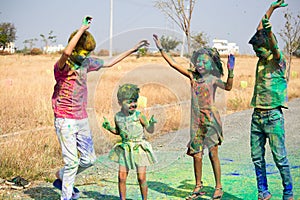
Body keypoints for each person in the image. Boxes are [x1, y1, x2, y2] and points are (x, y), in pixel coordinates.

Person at [51, 15, 149, 200]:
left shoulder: (87, 64)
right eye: (83, 52)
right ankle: (67, 195)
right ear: (76, 50)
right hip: (65, 119)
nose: (86, 56)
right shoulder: (62, 67)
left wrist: (132, 49)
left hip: (81, 118)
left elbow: (110, 62)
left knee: (89, 159)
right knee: (72, 162)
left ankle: (63, 176)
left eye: (88, 53)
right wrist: (82, 29)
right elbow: (65, 53)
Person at [153, 34, 235, 200]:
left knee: (213, 154)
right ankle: (198, 186)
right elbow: (173, 63)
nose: (200, 64)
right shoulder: (193, 77)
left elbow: (228, 87)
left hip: (211, 121)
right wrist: (161, 48)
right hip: (196, 123)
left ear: (211, 64)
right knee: (197, 155)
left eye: (205, 61)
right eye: (198, 61)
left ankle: (218, 186)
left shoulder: (213, 79)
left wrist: (231, 71)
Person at [248, 0, 294, 199]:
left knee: (280, 158)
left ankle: (288, 193)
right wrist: (271, 9)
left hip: (273, 116)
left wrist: (270, 33)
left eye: (259, 50)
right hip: (257, 116)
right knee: (257, 158)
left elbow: (273, 45)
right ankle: (263, 192)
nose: (256, 53)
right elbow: (260, 31)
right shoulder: (261, 59)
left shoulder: (278, 60)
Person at [102, 83, 157, 200]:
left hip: (139, 148)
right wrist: (109, 128)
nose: (133, 104)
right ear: (120, 103)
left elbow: (149, 130)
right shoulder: (118, 117)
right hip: (125, 149)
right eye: (129, 102)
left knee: (141, 177)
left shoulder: (139, 115)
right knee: (122, 177)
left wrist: (151, 124)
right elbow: (118, 131)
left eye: (134, 101)